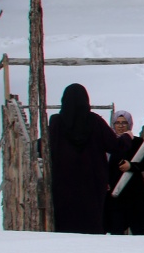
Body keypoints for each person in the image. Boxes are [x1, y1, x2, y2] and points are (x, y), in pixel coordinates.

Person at [47, 83, 120, 233]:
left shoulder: (56, 123)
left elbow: (44, 147)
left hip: (64, 182)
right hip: (92, 182)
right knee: (91, 220)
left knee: (67, 222)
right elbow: (113, 145)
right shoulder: (95, 121)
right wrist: (126, 138)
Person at [105, 109, 144, 235]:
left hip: (134, 191)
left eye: (124, 123)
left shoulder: (137, 142)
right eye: (117, 122)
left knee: (138, 228)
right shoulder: (109, 143)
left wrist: (131, 166)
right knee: (116, 229)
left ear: (129, 124)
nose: (121, 126)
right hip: (115, 191)